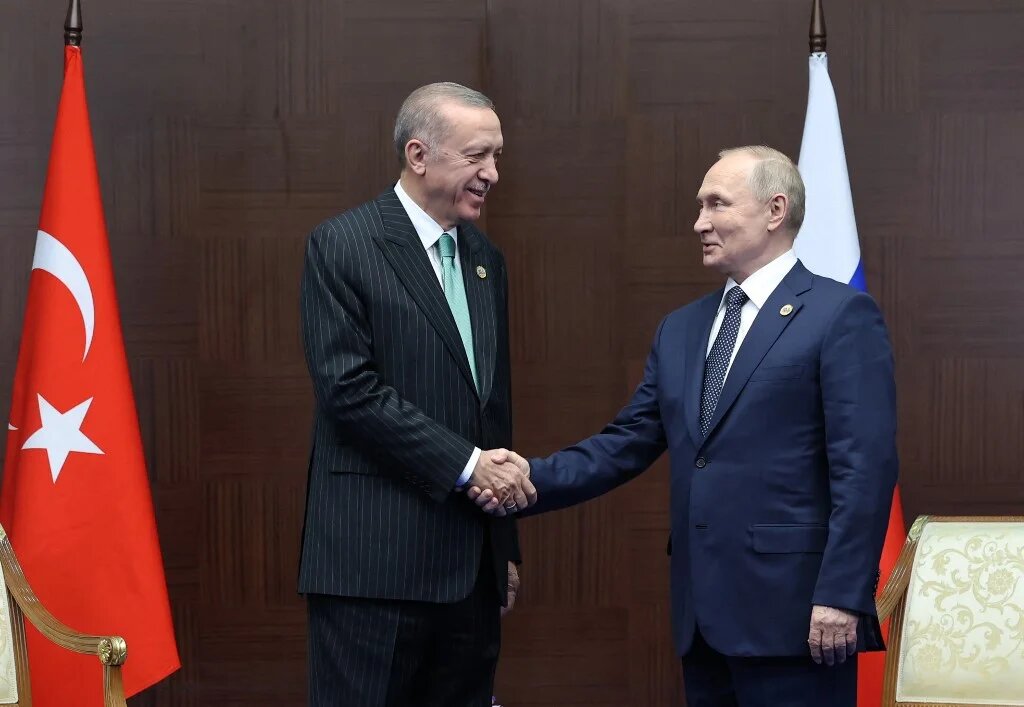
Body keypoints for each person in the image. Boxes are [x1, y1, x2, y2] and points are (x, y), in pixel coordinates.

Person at [473, 146, 897, 706]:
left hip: (798, 616)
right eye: (699, 206)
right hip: (703, 619)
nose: (699, 223)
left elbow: (864, 468)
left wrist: (843, 595)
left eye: (716, 204)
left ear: (775, 210)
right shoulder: (681, 328)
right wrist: (527, 479)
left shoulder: (839, 315)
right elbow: (626, 442)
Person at [299, 81, 536, 707]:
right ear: (418, 154)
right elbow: (349, 391)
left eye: (497, 156)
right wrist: (467, 467)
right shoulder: (343, 244)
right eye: (477, 156)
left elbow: (494, 407)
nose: (492, 173)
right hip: (374, 566)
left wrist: (502, 545)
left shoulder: (487, 259)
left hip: (470, 572)